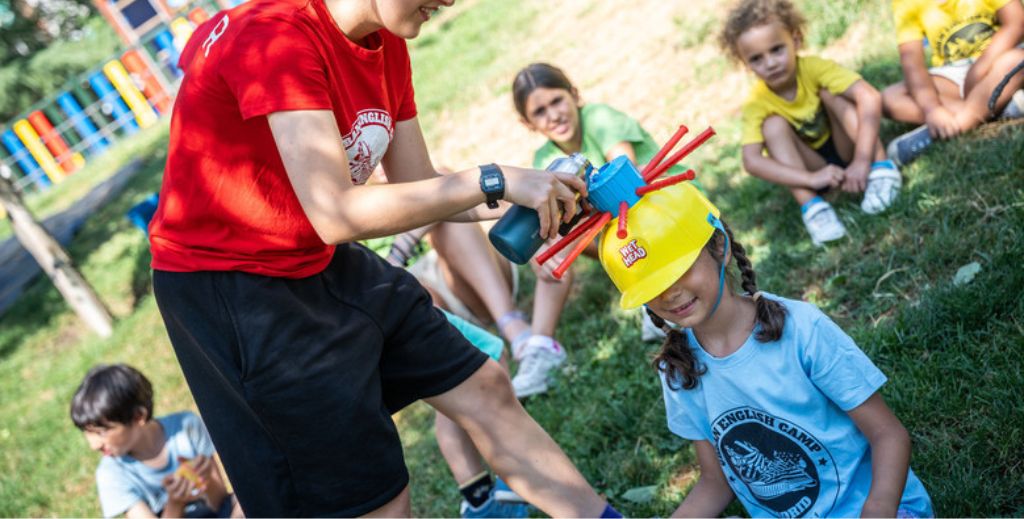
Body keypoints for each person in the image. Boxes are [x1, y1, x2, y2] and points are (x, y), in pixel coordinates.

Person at [147, 0, 619, 516]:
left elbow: (420, 188)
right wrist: (493, 177)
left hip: (318, 256)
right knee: (375, 498)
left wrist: (531, 194)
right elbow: (337, 213)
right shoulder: (276, 37)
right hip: (233, 289)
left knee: (485, 387)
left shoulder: (386, 39)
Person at [595, 179, 934, 517]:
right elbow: (716, 481)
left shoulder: (802, 329)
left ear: (719, 247)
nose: (669, 294)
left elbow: (888, 434)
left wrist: (879, 507)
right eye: (652, 286)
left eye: (680, 271)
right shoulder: (680, 370)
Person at [721, 0, 903, 246]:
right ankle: (814, 208)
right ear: (745, 64)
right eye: (756, 59)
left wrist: (861, 160)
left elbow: (869, 96)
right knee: (772, 125)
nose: (770, 63)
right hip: (812, 167)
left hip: (849, 145)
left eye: (776, 49)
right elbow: (751, 161)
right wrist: (812, 179)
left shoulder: (814, 68)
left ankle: (881, 168)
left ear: (795, 41)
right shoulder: (757, 101)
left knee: (832, 93)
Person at [69, 364, 239, 518]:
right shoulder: (112, 473)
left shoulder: (186, 427)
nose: (94, 445)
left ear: (138, 416)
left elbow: (220, 503)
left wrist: (207, 478)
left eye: (101, 432)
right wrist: (175, 503)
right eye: (87, 432)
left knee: (244, 503)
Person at [881, 0, 1024, 166]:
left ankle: (956, 127)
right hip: (953, 74)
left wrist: (979, 68)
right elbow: (912, 64)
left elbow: (1018, 22)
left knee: (1017, 61)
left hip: (1000, 56)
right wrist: (933, 109)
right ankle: (1000, 108)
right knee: (889, 98)